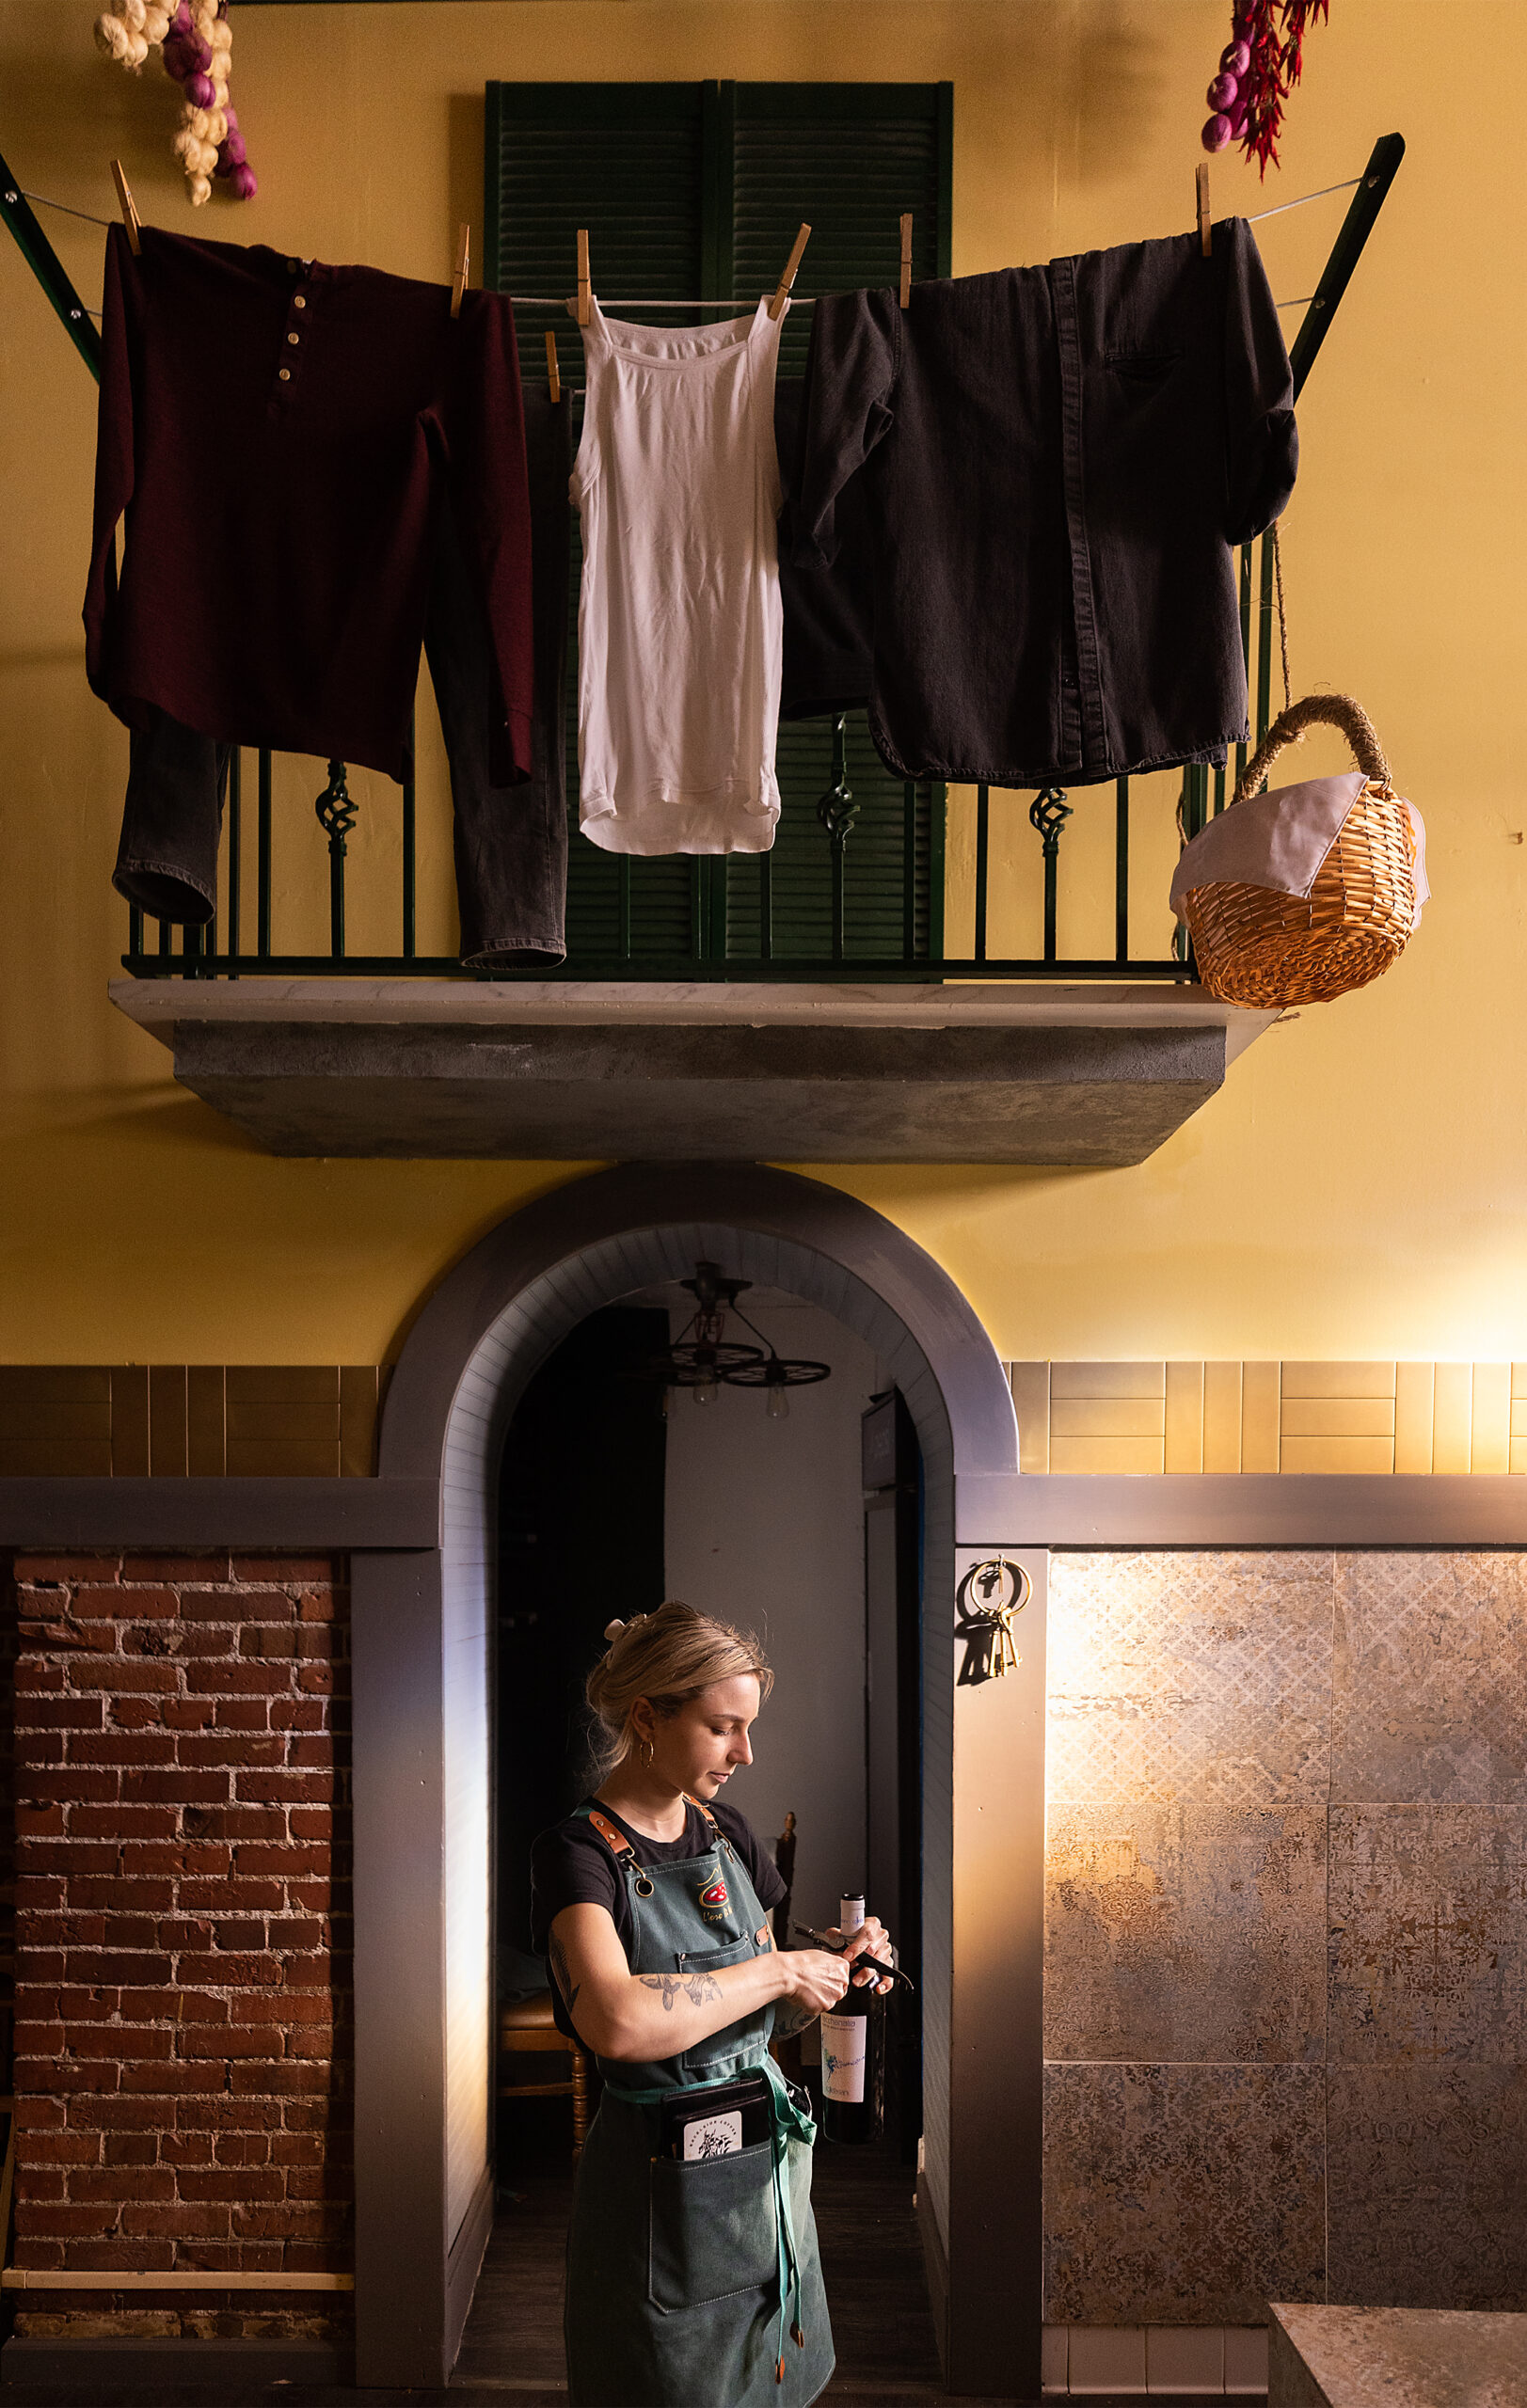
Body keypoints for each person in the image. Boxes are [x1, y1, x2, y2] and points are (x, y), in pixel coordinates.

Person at [530, 1600, 896, 2408]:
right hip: (661, 2193)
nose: (746, 1753)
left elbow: (766, 2015)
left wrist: (831, 1974)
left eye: (748, 1727)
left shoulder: (727, 1833)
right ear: (646, 1718)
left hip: (763, 2181)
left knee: (774, 2382)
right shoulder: (577, 1854)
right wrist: (776, 1972)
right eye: (723, 1727)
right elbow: (618, 2020)